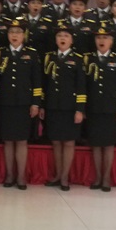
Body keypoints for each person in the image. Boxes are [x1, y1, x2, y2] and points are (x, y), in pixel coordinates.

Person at [0, 18, 42, 190]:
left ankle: (21, 176)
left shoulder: (32, 54)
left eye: (18, 32)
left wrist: (35, 103)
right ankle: (9, 175)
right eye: (11, 32)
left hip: (24, 103)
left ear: (24, 35)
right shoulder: (0, 53)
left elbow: (37, 80)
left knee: (22, 141)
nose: (14, 35)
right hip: (5, 103)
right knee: (8, 141)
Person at [82, 26, 116, 191]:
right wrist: (83, 107)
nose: (102, 41)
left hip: (111, 109)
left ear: (111, 41)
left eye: (106, 38)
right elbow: (84, 86)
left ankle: (106, 178)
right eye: (99, 38)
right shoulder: (88, 59)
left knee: (109, 145)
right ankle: (98, 177)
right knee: (96, 144)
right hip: (93, 108)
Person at [40, 26, 85, 190]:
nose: (62, 38)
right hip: (53, 106)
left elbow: (81, 86)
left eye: (66, 36)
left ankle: (65, 177)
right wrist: (43, 105)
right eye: (59, 35)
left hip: (70, 108)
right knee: (56, 142)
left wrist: (80, 109)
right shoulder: (49, 58)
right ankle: (58, 175)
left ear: (71, 40)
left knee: (68, 143)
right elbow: (45, 84)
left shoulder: (78, 59)